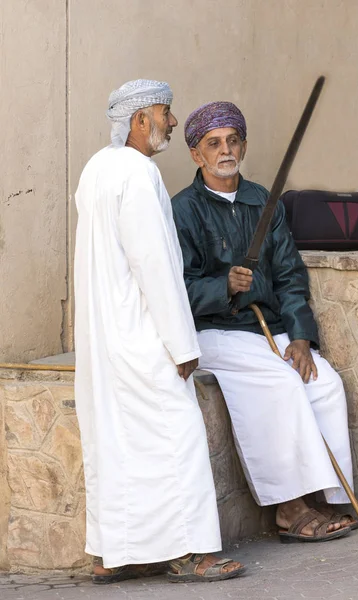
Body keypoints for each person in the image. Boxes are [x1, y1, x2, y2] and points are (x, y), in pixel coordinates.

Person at [74, 81, 244, 584]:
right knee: (178, 435)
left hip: (105, 336)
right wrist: (181, 344)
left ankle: (116, 553)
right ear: (140, 120)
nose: (172, 122)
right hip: (142, 331)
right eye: (166, 113)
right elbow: (155, 266)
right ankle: (192, 552)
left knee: (117, 443)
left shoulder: (96, 169)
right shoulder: (139, 173)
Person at [172, 101, 356, 543]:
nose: (225, 150)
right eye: (213, 144)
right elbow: (174, 288)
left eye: (232, 140)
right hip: (215, 330)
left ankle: (328, 497)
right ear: (197, 155)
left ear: (245, 145)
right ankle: (289, 509)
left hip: (267, 329)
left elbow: (291, 276)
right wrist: (223, 285)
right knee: (280, 384)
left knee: (324, 383)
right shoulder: (183, 210)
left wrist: (300, 337)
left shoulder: (264, 203)